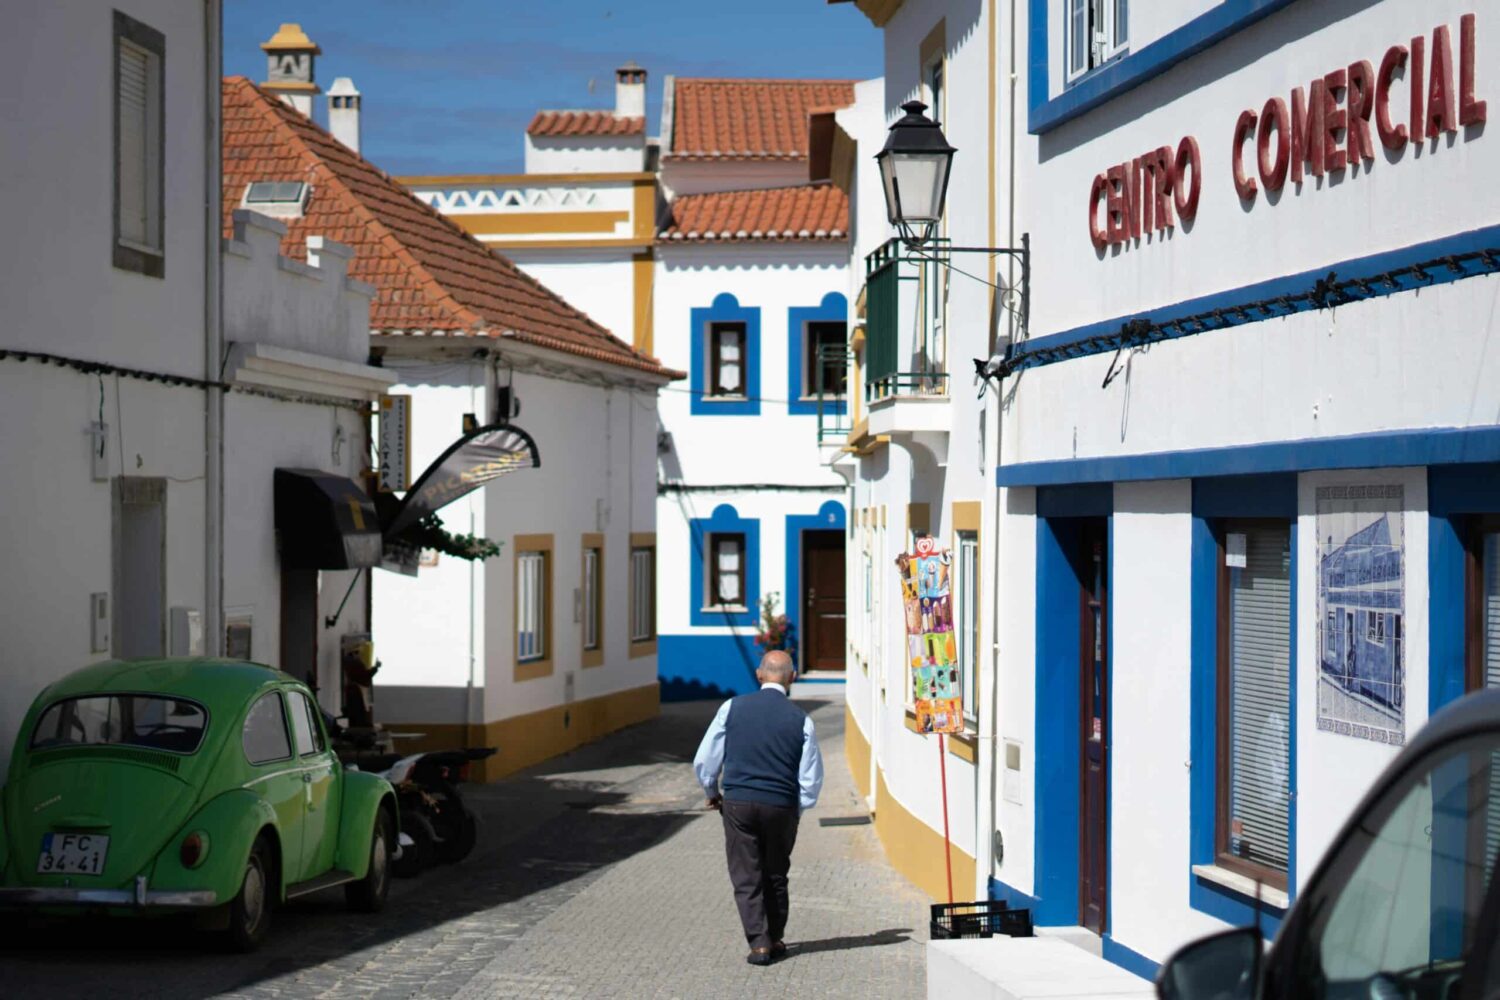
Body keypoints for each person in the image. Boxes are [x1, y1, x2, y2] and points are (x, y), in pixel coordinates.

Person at [692, 650, 824, 966]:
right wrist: (796, 810)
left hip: (738, 802)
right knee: (776, 872)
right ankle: (776, 936)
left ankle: (759, 944)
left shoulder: (731, 708)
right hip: (781, 804)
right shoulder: (801, 720)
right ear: (792, 678)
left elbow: (705, 760)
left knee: (746, 874)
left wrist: (712, 791)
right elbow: (811, 778)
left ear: (759, 674)